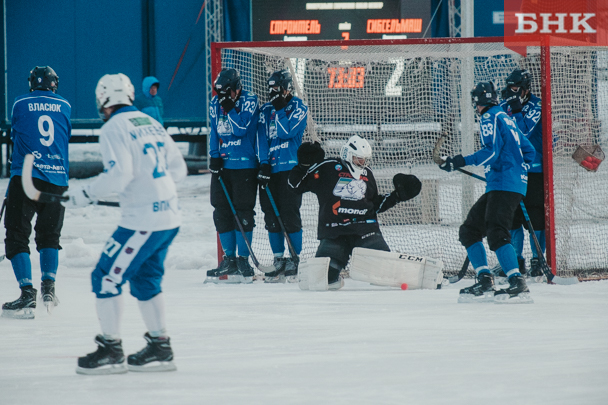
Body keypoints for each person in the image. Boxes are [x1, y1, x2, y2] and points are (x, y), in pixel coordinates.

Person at [63, 73, 187, 374]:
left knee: (105, 277)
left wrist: (85, 194)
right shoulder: (151, 122)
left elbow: (119, 176)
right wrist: (155, 192)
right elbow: (179, 169)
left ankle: (111, 350)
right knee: (145, 280)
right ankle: (160, 348)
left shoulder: (112, 128)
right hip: (169, 217)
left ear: (103, 100)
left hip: (143, 221)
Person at [439, 81, 536, 303]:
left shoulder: (489, 116)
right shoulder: (506, 116)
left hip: (503, 184)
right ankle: (484, 278)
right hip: (507, 183)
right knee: (470, 230)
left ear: (477, 101)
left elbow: (491, 152)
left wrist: (459, 161)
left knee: (496, 231)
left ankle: (517, 282)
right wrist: (517, 171)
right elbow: (528, 150)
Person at [288, 136, 422, 289]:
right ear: (348, 155)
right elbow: (294, 186)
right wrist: (304, 165)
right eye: (359, 159)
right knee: (323, 278)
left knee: (386, 269)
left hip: (366, 231)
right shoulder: (328, 167)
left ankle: (413, 275)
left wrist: (396, 197)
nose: (363, 163)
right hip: (334, 232)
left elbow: (372, 205)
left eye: (365, 159)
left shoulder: (367, 173)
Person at [1, 66, 71, 319]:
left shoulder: (20, 102)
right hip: (57, 177)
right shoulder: (65, 105)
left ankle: (27, 293)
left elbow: (15, 135)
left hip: (27, 176)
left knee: (17, 235)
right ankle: (49, 288)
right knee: (50, 236)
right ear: (54, 84)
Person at [206, 68, 262, 284]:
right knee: (220, 210)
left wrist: (229, 107)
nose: (221, 97)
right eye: (219, 92)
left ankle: (243, 259)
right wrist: (214, 156)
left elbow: (240, 128)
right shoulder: (215, 102)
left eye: (225, 92)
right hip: (224, 164)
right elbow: (214, 130)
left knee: (243, 211)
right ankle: (228, 258)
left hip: (245, 165)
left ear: (236, 88)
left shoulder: (249, 100)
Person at [257, 69, 308, 283]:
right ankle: (278, 259)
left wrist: (279, 110)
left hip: (290, 169)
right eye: (271, 89)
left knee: (290, 215)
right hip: (271, 171)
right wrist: (264, 165)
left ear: (287, 88)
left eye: (277, 89)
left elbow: (286, 132)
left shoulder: (299, 108)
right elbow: (261, 139)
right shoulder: (265, 110)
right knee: (271, 216)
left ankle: (294, 259)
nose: (273, 93)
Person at [500, 69, 545, 278]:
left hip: (535, 168)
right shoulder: (505, 105)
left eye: (516, 88)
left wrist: (517, 111)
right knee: (511, 217)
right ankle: (515, 259)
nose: (513, 92)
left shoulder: (536, 105)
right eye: (510, 88)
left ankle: (538, 259)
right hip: (511, 170)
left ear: (526, 88)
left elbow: (524, 132)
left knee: (535, 216)